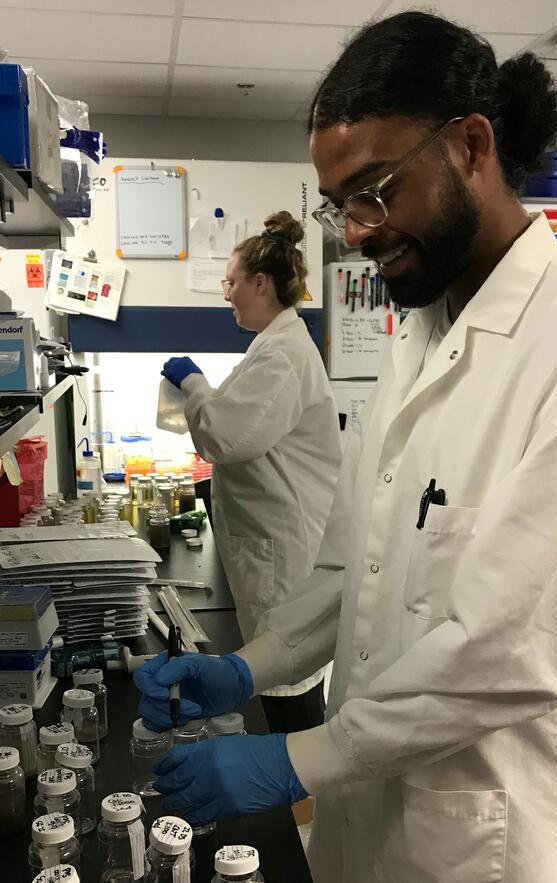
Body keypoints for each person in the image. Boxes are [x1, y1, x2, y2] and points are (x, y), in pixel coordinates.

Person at [135, 12, 557, 883]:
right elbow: (353, 568)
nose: (352, 230)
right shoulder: (416, 335)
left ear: (470, 146)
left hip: (491, 842)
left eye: (375, 191)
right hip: (369, 822)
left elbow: (508, 649)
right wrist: (250, 664)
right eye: (338, 203)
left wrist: (295, 760)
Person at [159, 210, 342, 734]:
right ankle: (294, 791)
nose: (226, 294)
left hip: (279, 551)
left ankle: (298, 801)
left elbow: (229, 436)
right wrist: (200, 391)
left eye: (231, 282)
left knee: (288, 681)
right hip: (268, 540)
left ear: (260, 283)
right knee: (281, 673)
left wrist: (193, 381)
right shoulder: (275, 347)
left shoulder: (283, 354)